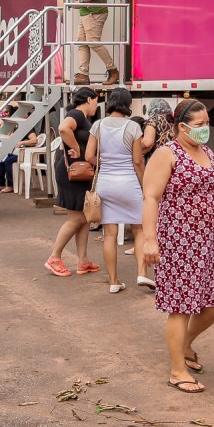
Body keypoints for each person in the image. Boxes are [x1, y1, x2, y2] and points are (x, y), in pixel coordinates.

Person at [141, 99, 214, 393]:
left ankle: (186, 344)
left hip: (207, 238)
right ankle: (177, 370)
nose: (205, 129)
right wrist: (150, 239)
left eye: (207, 123)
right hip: (177, 239)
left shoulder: (206, 152)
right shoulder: (167, 153)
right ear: (182, 127)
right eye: (199, 124)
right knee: (180, 307)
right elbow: (151, 198)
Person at [86, 87, 145, 293]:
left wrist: (104, 163)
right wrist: (145, 184)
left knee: (109, 234)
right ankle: (142, 274)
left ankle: (113, 281)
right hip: (129, 183)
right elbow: (137, 161)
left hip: (106, 184)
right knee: (139, 230)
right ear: (127, 104)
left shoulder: (98, 125)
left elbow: (89, 156)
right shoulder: (133, 127)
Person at [45, 86, 100, 277]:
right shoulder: (77, 114)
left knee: (84, 218)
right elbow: (63, 128)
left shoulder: (83, 118)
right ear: (89, 99)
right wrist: (77, 149)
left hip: (80, 173)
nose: (97, 105)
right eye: (96, 101)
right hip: (72, 172)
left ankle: (83, 261)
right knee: (77, 218)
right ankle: (54, 257)